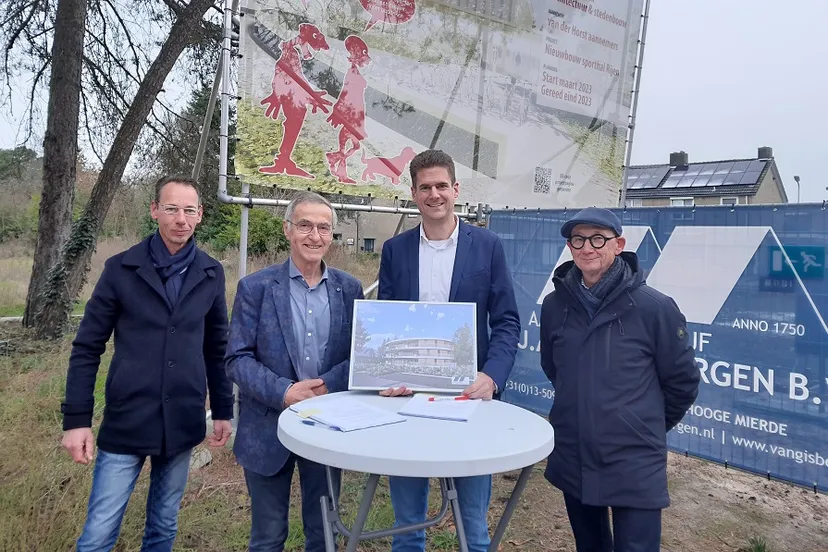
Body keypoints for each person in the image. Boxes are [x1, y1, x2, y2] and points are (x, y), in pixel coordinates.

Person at [60, 175, 234, 552]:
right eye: (171, 209)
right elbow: (88, 346)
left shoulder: (210, 273)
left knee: (163, 527)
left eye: (189, 210)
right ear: (154, 210)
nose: (180, 219)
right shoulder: (121, 269)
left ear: (200, 215)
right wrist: (76, 420)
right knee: (99, 533)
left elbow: (216, 347)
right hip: (128, 419)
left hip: (183, 419)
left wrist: (222, 409)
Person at [377, 149, 521, 552]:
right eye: (426, 187)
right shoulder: (395, 250)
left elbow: (507, 321)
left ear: (456, 189)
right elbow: (386, 322)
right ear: (413, 193)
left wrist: (491, 376)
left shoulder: (487, 246)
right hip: (408, 396)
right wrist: (387, 376)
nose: (435, 194)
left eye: (442, 185)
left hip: (468, 394)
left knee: (472, 523)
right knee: (407, 523)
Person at [539, 207, 700, 552]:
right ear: (569, 247)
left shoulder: (655, 308)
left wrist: (641, 423)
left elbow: (682, 381)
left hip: (634, 459)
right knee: (590, 545)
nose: (587, 247)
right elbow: (554, 369)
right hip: (574, 452)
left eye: (598, 238)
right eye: (578, 239)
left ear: (618, 244)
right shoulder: (555, 306)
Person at [225, 191, 364, 552]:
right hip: (268, 427)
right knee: (268, 537)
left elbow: (360, 356)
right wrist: (285, 391)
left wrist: (327, 386)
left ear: (332, 235)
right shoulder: (255, 288)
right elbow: (237, 359)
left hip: (329, 425)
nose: (314, 236)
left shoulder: (350, 289)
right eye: (304, 225)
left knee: (324, 533)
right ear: (288, 230)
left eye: (323, 228)